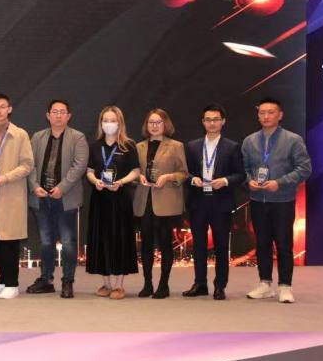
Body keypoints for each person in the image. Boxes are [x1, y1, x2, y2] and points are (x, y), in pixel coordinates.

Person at [242, 97, 312, 304]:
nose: (266, 116)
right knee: (262, 242)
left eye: (270, 112)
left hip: (283, 200)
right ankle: (265, 284)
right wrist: (249, 181)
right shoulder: (249, 141)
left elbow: (304, 168)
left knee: (283, 243)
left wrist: (280, 183)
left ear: (280, 115)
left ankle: (285, 286)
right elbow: (243, 168)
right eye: (262, 112)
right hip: (258, 199)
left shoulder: (293, 139)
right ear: (258, 116)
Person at [27, 99, 89, 299]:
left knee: (68, 242)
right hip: (41, 197)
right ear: (48, 115)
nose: (58, 115)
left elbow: (80, 166)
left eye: (63, 112)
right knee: (46, 242)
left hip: (66, 198)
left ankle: (68, 281)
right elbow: (29, 164)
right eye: (55, 111)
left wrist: (62, 188)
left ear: (69, 116)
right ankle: (46, 280)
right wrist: (34, 186)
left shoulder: (78, 137)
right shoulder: (37, 137)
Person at [183, 104, 245, 300]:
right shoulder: (192, 146)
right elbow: (184, 173)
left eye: (216, 119)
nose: (212, 123)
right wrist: (193, 179)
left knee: (221, 246)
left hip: (221, 203)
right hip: (197, 202)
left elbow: (240, 174)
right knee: (198, 245)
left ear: (223, 121)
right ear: (203, 122)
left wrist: (225, 180)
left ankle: (220, 285)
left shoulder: (232, 146)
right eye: (208, 119)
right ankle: (200, 283)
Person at [0, 94, 34, 300]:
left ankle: (12, 283)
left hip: (11, 192)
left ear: (9, 109)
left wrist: (8, 177)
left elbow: (28, 164)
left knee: (10, 240)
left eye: (3, 107)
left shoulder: (20, 134)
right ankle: (3, 279)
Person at [85, 106, 141, 298]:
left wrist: (121, 182)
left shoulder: (128, 145)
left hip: (121, 198)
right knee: (101, 239)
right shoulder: (95, 145)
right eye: (105, 120)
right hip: (100, 198)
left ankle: (119, 286)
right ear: (101, 123)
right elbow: (89, 171)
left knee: (120, 239)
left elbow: (136, 171)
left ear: (120, 123)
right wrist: (95, 181)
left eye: (113, 120)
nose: (109, 124)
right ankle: (106, 284)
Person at [133, 109, 188, 299]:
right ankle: (147, 284)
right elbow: (133, 173)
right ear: (146, 125)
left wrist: (168, 177)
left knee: (165, 245)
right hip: (144, 202)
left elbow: (183, 173)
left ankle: (163, 285)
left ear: (166, 124)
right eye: (151, 122)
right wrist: (138, 177)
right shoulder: (138, 147)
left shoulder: (176, 146)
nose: (154, 126)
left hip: (166, 202)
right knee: (146, 246)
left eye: (158, 122)